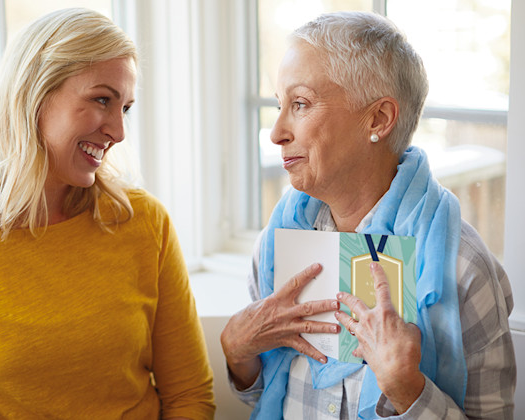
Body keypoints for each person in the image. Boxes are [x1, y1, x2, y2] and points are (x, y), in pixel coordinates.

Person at [0, 8, 215, 419]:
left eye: (125, 108)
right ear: (35, 95)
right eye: (102, 100)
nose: (118, 131)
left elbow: (189, 396)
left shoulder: (144, 222)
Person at [220, 11, 515, 419]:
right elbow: (268, 393)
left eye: (300, 104)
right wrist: (238, 354)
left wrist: (407, 389)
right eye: (279, 105)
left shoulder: (462, 268)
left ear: (378, 119)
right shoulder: (277, 243)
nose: (276, 132)